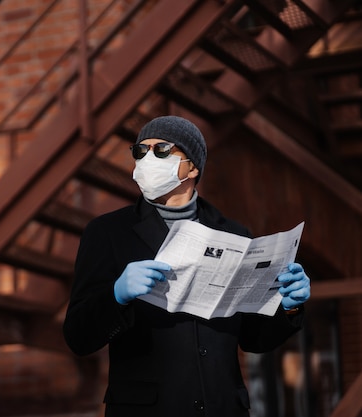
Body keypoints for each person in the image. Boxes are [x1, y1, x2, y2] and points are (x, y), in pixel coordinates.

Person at [62, 115, 311, 417]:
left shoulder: (234, 234)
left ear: (192, 167)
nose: (148, 158)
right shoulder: (107, 233)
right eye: (141, 151)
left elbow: (254, 338)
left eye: (162, 150)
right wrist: (116, 296)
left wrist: (288, 306)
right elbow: (79, 336)